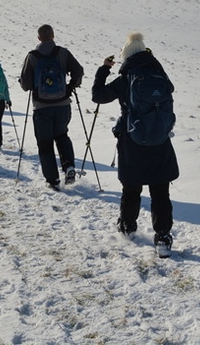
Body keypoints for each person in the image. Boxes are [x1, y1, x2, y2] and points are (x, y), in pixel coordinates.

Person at [92, 31, 179, 256]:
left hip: (132, 142)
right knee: (160, 191)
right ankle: (163, 237)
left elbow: (98, 96)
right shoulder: (159, 74)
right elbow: (168, 93)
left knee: (132, 188)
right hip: (160, 141)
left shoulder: (125, 78)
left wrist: (103, 69)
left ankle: (128, 227)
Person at [19, 24, 84, 190]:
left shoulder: (32, 56)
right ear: (53, 35)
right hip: (63, 105)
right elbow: (78, 71)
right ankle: (68, 166)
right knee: (62, 135)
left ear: (39, 38)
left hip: (41, 107)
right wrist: (69, 88)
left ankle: (53, 180)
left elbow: (26, 84)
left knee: (45, 143)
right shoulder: (63, 53)